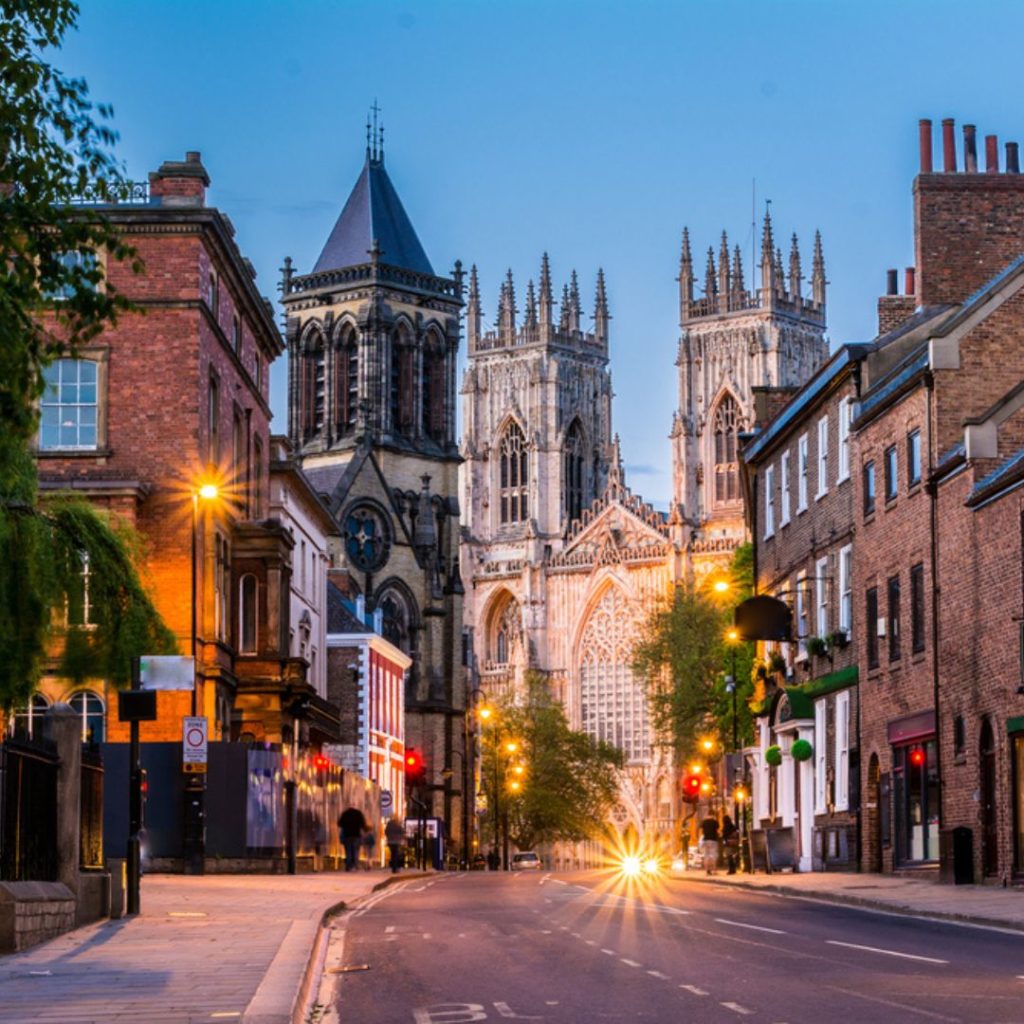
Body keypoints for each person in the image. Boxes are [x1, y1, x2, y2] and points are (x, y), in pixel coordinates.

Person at [338, 806, 368, 872]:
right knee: (355, 851)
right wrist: (366, 829)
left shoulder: (345, 814)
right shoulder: (358, 813)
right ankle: (355, 865)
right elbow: (363, 824)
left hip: (347, 835)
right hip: (356, 835)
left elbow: (339, 823)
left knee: (348, 851)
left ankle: (348, 866)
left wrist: (346, 825)